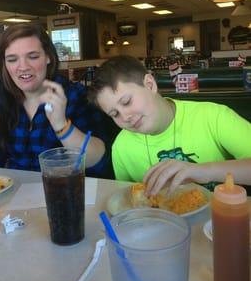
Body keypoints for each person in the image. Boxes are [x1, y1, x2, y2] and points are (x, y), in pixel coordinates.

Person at [89, 55, 251, 194]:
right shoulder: (121, 147)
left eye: (127, 102)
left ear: (150, 84)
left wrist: (203, 171)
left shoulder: (213, 116)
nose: (125, 117)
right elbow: (127, 200)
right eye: (114, 114)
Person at [0, 23, 111, 177]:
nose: (23, 67)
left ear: (48, 57)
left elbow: (101, 164)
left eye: (33, 56)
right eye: (12, 59)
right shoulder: (0, 105)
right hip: (16, 197)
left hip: (65, 193)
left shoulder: (77, 97)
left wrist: (62, 125)